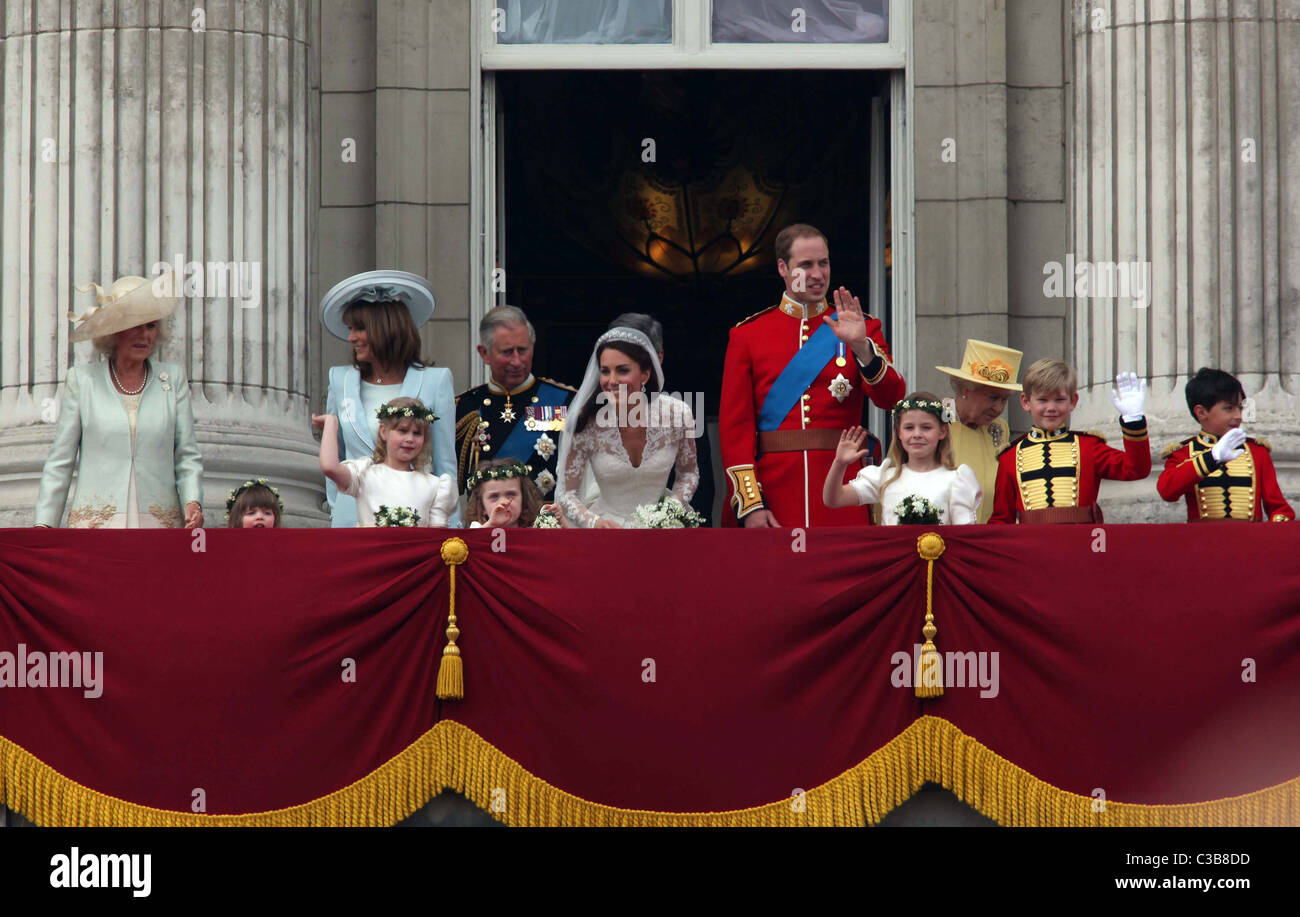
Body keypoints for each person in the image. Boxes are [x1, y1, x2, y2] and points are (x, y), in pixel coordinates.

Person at [720, 223, 905, 528]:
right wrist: (751, 505)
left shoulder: (862, 327)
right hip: (776, 493)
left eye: (824, 263)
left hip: (842, 489)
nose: (818, 274)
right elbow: (734, 431)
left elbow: (892, 399)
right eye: (806, 265)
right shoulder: (748, 335)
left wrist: (860, 346)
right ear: (783, 267)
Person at [34, 273, 204, 529]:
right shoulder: (82, 381)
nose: (144, 335)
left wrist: (193, 501)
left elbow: (186, 455)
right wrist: (44, 525)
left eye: (150, 326)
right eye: (135, 325)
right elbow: (61, 461)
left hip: (159, 527)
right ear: (112, 331)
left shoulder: (174, 379)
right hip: (96, 528)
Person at [320, 270, 458, 527]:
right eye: (350, 329)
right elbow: (336, 456)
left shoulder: (435, 381)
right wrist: (337, 511)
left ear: (384, 329)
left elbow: (445, 464)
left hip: (417, 524)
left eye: (359, 328)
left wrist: (451, 531)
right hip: (352, 524)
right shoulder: (340, 380)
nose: (351, 338)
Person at [556, 327, 699, 528]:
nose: (611, 381)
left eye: (622, 370)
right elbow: (567, 493)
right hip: (607, 532)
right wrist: (595, 523)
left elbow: (688, 474)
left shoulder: (678, 414)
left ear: (645, 375)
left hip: (666, 530)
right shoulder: (587, 422)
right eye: (605, 371)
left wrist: (670, 511)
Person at [988, 360, 1150, 524]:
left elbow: (1136, 469)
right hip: (1030, 545)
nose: (1051, 407)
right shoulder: (1009, 457)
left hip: (1080, 543)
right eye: (1043, 400)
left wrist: (1133, 420)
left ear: (1073, 401)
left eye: (1059, 400)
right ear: (1025, 402)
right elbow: (1002, 519)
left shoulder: (1088, 447)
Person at [455, 305, 576, 502]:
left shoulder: (563, 401)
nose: (517, 361)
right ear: (484, 353)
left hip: (544, 524)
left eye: (523, 350)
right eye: (507, 352)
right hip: (486, 526)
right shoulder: (465, 408)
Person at [609, 312, 715, 524]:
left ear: (658, 357)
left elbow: (699, 490)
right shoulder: (593, 413)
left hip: (669, 537)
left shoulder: (684, 412)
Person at [1156, 368, 1294, 522]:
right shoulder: (1184, 453)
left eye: (1240, 408)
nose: (1238, 416)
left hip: (1250, 543)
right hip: (1203, 543)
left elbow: (1279, 508)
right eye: (1229, 408)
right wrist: (1211, 458)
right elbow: (1167, 491)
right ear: (1201, 412)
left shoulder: (1257, 452)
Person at [824, 394, 981, 525]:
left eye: (926, 427)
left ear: (942, 432)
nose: (917, 434)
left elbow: (963, 534)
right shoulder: (885, 477)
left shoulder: (956, 479)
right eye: (909, 427)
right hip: (894, 560)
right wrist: (839, 463)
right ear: (899, 433)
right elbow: (834, 499)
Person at [314, 398, 458, 527]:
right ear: (384, 432)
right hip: (372, 555)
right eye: (403, 431)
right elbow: (329, 467)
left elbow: (437, 537)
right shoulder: (365, 474)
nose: (410, 439)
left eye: (417, 433)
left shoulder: (435, 485)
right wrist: (331, 423)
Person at [935, 340, 1022, 523]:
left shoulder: (998, 429)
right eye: (993, 397)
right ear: (967, 389)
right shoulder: (933, 420)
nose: (998, 408)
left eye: (1004, 400)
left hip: (991, 536)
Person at [465, 458, 545, 528]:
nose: (503, 502)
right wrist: (491, 525)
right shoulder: (476, 529)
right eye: (494, 496)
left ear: (523, 498)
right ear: (482, 506)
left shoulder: (535, 529)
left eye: (511, 494)